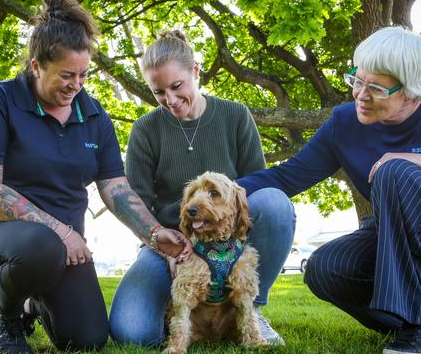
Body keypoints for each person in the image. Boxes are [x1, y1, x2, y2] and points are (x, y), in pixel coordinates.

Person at [236, 26, 421, 354]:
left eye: (377, 88)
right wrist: (215, 191)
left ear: (410, 91)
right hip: (393, 240)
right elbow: (286, 178)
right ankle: (412, 316)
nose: (361, 96)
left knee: (396, 170)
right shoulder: (344, 123)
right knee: (325, 268)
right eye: (357, 80)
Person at [0, 0, 191, 354]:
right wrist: (61, 231)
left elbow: (115, 187)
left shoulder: (93, 114)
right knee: (41, 244)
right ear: (36, 66)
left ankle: (34, 303)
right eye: (66, 75)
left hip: (66, 249)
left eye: (83, 74)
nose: (76, 84)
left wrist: (155, 233)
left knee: (88, 340)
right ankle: (6, 322)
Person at [109, 30, 296, 346]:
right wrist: (161, 244)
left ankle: (250, 311)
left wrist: (232, 248)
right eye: (158, 92)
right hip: (170, 243)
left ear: (195, 70)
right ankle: (179, 322)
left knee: (275, 202)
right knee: (133, 332)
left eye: (177, 86)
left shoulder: (236, 115)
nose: (170, 99)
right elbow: (137, 204)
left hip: (227, 241)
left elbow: (256, 187)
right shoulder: (145, 130)